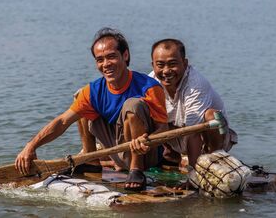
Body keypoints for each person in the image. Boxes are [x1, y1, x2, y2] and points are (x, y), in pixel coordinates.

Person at [15, 28, 168, 191]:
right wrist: (31, 146)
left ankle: (135, 170)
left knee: (133, 105)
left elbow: (163, 130)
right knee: (81, 99)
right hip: (119, 149)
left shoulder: (149, 87)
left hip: (145, 154)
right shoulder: (95, 90)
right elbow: (62, 121)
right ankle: (91, 160)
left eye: (111, 57)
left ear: (125, 55)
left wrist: (144, 140)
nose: (106, 64)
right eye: (100, 60)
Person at [149, 39, 238, 170]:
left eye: (172, 64)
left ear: (185, 64)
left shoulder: (196, 84)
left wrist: (192, 175)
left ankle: (214, 159)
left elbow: (193, 132)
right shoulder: (150, 82)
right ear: (153, 66)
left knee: (211, 115)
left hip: (208, 135)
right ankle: (171, 156)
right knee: (144, 109)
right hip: (177, 136)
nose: (166, 71)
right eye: (160, 65)